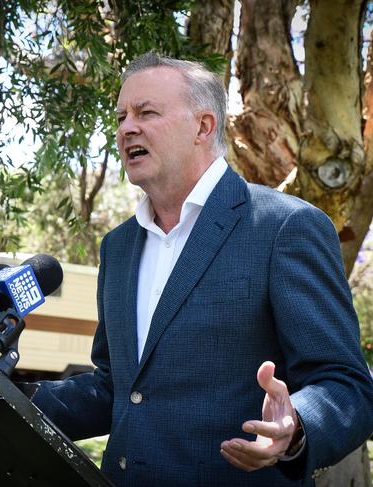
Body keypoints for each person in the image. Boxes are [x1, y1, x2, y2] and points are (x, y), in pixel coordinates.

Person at [31, 53, 373, 487]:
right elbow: (117, 389)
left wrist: (297, 427)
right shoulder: (117, 247)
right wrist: (2, 398)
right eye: (120, 117)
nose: (126, 128)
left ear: (203, 126)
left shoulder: (285, 227)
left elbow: (346, 386)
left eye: (146, 112)